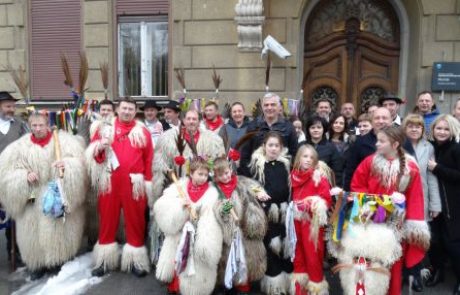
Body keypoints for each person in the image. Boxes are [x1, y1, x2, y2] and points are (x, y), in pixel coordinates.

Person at [0, 112, 87, 279]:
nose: (38, 129)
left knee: (58, 229)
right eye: (34, 126)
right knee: (31, 231)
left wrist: (66, 166)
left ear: (48, 125)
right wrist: (23, 176)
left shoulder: (64, 142)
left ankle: (57, 260)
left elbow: (80, 165)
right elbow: (6, 173)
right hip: (31, 195)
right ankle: (36, 264)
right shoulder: (18, 148)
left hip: (55, 195)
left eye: (41, 125)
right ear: (30, 126)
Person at [351, 126, 429, 295]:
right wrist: (372, 204)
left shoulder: (410, 168)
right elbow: (357, 185)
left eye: (381, 141)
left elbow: (416, 197)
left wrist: (412, 224)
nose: (376, 144)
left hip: (395, 225)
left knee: (393, 264)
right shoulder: (369, 162)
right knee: (369, 262)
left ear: (395, 144)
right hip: (371, 221)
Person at [86, 97, 154, 277]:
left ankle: (135, 261)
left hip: (135, 183)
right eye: (124, 108)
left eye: (131, 109)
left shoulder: (143, 132)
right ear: (117, 109)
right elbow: (94, 156)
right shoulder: (104, 129)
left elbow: (149, 159)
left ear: (135, 111)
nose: (127, 112)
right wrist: (100, 146)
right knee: (107, 222)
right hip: (110, 182)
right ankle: (104, 261)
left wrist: (148, 182)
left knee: (136, 222)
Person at [154, 157, 222, 295]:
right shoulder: (178, 188)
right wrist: (180, 207)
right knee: (178, 262)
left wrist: (224, 209)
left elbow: (219, 210)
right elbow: (162, 207)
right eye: (199, 174)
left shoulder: (213, 192)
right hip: (179, 235)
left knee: (195, 272)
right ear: (191, 173)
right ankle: (175, 287)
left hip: (198, 236)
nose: (203, 178)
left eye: (205, 174)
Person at [242, 131, 292, 294]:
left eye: (277, 146)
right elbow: (248, 181)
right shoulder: (257, 164)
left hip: (284, 212)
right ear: (264, 147)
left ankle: (287, 281)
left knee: (285, 245)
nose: (274, 149)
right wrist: (258, 191)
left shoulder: (285, 164)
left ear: (281, 148)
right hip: (267, 211)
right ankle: (274, 283)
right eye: (270, 145)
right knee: (271, 245)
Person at [212, 157, 268, 294]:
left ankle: (243, 285)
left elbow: (253, 187)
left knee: (245, 257)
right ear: (215, 176)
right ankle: (228, 285)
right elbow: (213, 208)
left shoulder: (241, 181)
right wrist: (223, 210)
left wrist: (260, 192)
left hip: (243, 228)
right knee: (226, 259)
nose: (225, 177)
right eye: (220, 175)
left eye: (226, 173)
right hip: (226, 232)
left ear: (230, 169)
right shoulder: (214, 189)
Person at [403, 114, 442, 292]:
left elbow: (432, 178)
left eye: (417, 126)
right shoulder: (399, 145)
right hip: (401, 199)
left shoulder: (429, 147)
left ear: (422, 129)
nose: (414, 129)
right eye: (410, 126)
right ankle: (401, 273)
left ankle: (415, 275)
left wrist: (435, 205)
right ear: (405, 128)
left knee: (417, 239)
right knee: (400, 237)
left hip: (421, 199)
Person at [151, 109, 225, 203]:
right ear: (184, 120)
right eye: (188, 119)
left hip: (204, 186)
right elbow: (160, 166)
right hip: (178, 188)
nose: (191, 121)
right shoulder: (168, 139)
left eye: (194, 119)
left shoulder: (212, 140)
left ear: (199, 121)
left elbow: (219, 163)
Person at [290, 144, 332, 294]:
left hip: (311, 224)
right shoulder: (293, 175)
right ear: (298, 158)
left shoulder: (318, 177)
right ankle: (300, 289)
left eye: (311, 157)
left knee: (313, 258)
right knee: (298, 256)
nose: (308, 160)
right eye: (305, 156)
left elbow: (326, 199)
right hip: (295, 222)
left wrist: (309, 203)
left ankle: (316, 289)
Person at [426, 114, 460, 294]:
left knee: (453, 244)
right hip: (435, 205)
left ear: (452, 131)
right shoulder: (432, 148)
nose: (442, 132)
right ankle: (437, 272)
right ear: (433, 130)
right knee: (435, 242)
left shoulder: (456, 149)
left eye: (446, 129)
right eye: (439, 128)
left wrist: (438, 168)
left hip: (453, 206)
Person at [238, 93, 298, 176]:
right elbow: (245, 154)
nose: (269, 107)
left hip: (280, 176)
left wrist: (286, 174)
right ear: (262, 107)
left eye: (273, 105)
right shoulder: (253, 126)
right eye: (266, 105)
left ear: (279, 107)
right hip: (256, 175)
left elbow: (294, 154)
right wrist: (248, 177)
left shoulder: (288, 127)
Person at [0, 91, 28, 265]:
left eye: (13, 106)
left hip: (14, 176)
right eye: (7, 106)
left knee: (15, 215)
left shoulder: (20, 124)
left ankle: (14, 250)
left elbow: (28, 144)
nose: (11, 109)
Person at [343, 107, 392, 191]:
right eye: (377, 118)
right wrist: (349, 195)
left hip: (394, 196)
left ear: (391, 121)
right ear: (372, 122)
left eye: (384, 118)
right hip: (367, 195)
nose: (381, 121)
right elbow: (351, 171)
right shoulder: (359, 142)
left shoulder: (401, 140)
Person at [301, 115, 343, 186]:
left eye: (319, 127)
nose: (316, 130)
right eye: (312, 127)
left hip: (324, 186)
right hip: (303, 184)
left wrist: (334, 187)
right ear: (308, 129)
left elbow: (337, 171)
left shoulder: (331, 147)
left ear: (323, 130)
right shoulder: (301, 146)